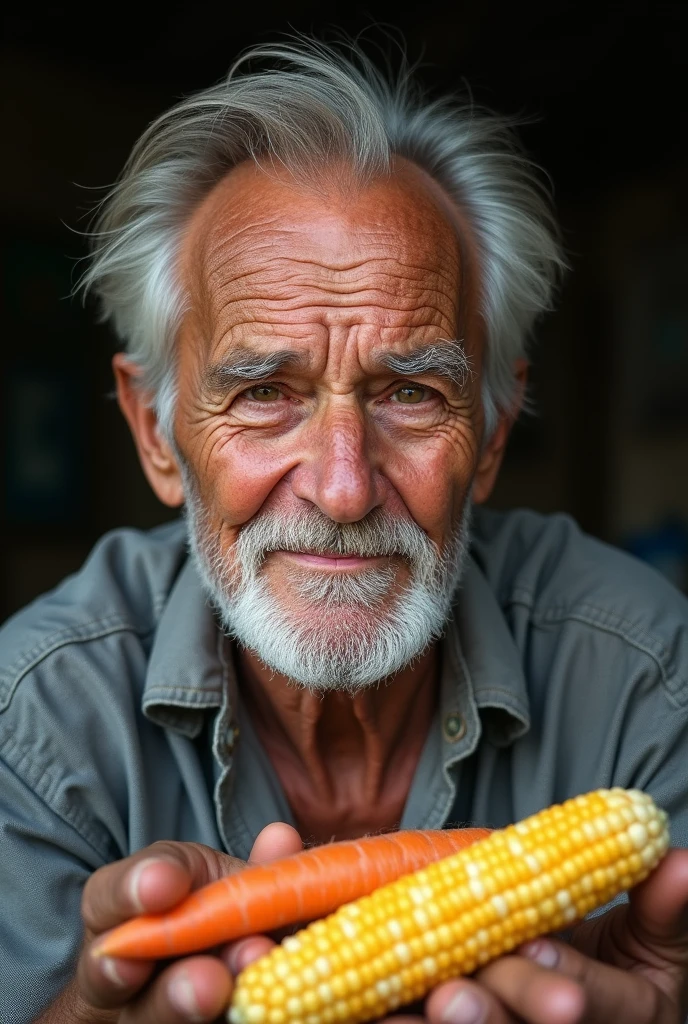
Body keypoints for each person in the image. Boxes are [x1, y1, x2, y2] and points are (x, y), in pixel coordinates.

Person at [1, 37, 687, 1024]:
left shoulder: (647, 681)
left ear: (489, 436)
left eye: (412, 392)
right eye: (264, 392)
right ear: (156, 431)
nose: (341, 485)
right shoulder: (32, 725)